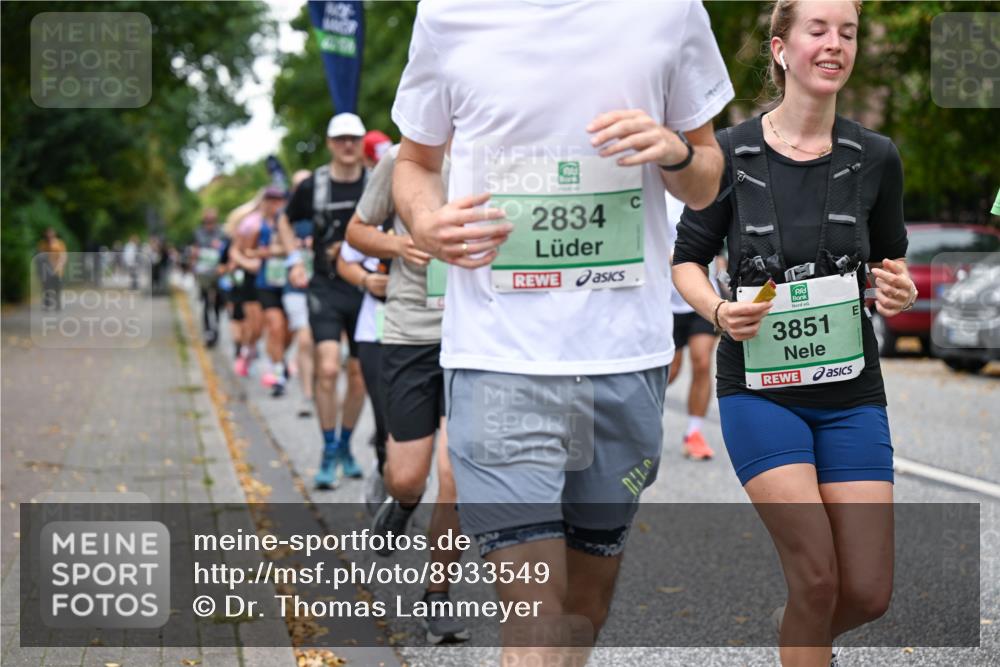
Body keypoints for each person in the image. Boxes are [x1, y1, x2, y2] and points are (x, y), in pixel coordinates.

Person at [391, 1, 733, 661]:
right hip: (498, 358)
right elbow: (416, 162)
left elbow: (706, 178)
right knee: (533, 616)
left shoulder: (670, 11)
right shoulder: (447, 14)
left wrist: (677, 150)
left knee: (583, 610)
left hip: (624, 358)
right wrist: (427, 222)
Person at [672, 2, 914, 665]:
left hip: (850, 391)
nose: (835, 44)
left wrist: (899, 288)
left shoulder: (876, 158)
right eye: (819, 31)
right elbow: (686, 259)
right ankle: (805, 627)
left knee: (866, 591)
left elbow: (890, 261)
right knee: (817, 575)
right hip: (760, 389)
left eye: (848, 32)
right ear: (781, 49)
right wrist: (719, 313)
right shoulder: (726, 153)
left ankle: (799, 632)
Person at [345, 143, 469, 644]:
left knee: (454, 473)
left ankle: (437, 597)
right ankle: (399, 503)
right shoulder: (401, 158)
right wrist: (398, 246)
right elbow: (357, 231)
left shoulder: (499, 150)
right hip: (410, 334)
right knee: (408, 477)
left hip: (474, 334)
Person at [279, 113, 369, 488]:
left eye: (354, 139)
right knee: (328, 368)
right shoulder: (313, 185)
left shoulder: (376, 180)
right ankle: (329, 449)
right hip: (325, 287)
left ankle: (347, 445)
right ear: (331, 143)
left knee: (360, 375)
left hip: (367, 290)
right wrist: (292, 261)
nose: (348, 145)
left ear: (361, 142)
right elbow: (286, 220)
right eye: (341, 139)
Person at [667, 194, 724, 460]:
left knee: (702, 362)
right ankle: (642, 425)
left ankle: (694, 433)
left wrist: (721, 259)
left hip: (701, 296)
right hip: (665, 300)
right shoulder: (656, 193)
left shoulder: (701, 191)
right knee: (671, 371)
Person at [282, 170, 317, 417]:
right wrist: (292, 250)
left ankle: (318, 385)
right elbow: (270, 245)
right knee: (304, 340)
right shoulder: (286, 216)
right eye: (298, 185)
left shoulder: (323, 209)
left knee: (322, 346)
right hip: (295, 288)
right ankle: (307, 395)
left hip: (324, 287)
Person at [251, 186, 292, 397]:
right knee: (275, 327)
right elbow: (244, 250)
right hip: (266, 283)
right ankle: (278, 375)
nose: (275, 203)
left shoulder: (288, 221)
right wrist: (259, 254)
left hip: (288, 283)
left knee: (288, 332)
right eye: (271, 199)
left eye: (279, 199)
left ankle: (280, 359)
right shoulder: (256, 224)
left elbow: (295, 247)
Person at [194, 208, 225, 347]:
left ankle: (216, 328)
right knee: (206, 302)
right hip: (204, 273)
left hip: (218, 273)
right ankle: (208, 331)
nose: (210, 223)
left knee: (218, 303)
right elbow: (194, 251)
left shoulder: (221, 232)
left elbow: (227, 249)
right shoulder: (198, 233)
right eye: (207, 220)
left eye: (212, 220)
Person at [37, 227, 67, 311]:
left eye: (51, 233)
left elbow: (63, 255)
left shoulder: (59, 243)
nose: (49, 235)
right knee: (46, 287)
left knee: (58, 287)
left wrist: (59, 265)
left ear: (54, 234)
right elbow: (40, 256)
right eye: (48, 233)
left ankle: (58, 304)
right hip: (46, 269)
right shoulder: (42, 244)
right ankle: (47, 304)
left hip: (58, 270)